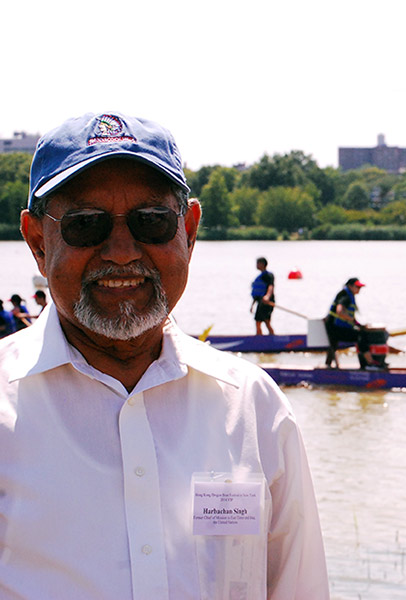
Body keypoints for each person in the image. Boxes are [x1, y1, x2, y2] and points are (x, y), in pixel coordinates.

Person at [1, 111, 329, 598]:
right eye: (85, 225)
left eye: (151, 222)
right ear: (35, 242)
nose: (121, 251)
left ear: (189, 232)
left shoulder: (253, 406)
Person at [324, 277, 377, 369]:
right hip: (335, 331)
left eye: (360, 287)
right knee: (361, 336)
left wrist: (359, 325)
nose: (359, 289)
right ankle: (369, 363)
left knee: (358, 332)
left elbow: (349, 318)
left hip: (333, 330)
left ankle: (328, 365)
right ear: (350, 286)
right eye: (357, 287)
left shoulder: (346, 295)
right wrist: (351, 319)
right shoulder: (345, 296)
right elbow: (340, 311)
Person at [250, 256, 276, 335]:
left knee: (266, 321)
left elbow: (270, 286)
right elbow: (257, 295)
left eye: (258, 263)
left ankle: (272, 337)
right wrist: (252, 305)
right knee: (258, 321)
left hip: (267, 302)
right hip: (261, 302)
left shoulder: (268, 275)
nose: (256, 265)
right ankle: (259, 338)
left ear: (262, 264)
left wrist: (267, 296)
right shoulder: (260, 276)